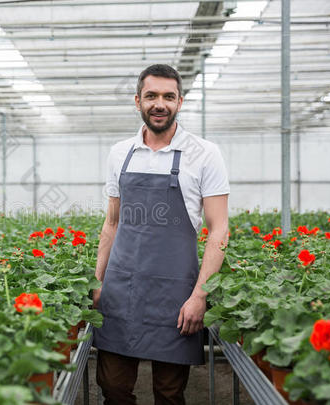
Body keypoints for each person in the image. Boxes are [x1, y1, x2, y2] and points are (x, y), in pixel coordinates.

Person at [92, 64, 230, 405]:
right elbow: (112, 223)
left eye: (169, 96)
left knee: (169, 392)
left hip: (174, 294)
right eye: (151, 96)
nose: (160, 103)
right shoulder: (119, 153)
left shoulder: (204, 153)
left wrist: (200, 296)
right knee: (113, 387)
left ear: (180, 102)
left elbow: (219, 230)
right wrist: (98, 282)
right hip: (121, 289)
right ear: (137, 100)